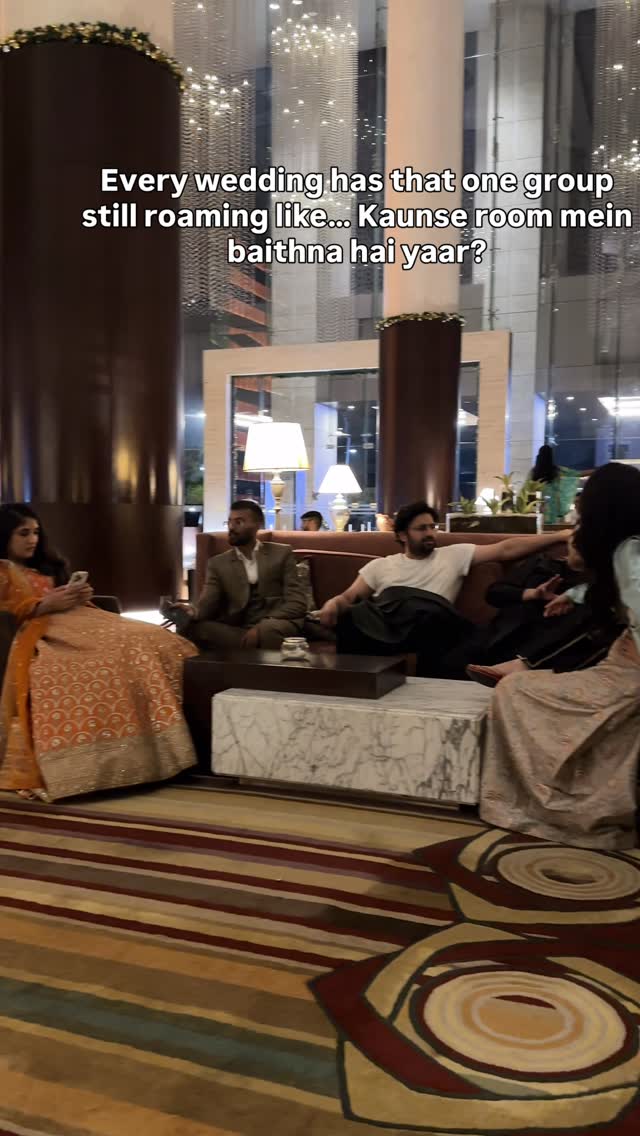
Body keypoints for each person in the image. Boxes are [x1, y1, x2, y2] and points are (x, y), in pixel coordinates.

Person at [480, 462, 640, 850]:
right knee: (519, 686)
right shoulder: (628, 549)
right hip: (620, 664)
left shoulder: (629, 551)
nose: (577, 517)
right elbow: (618, 591)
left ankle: (551, 803)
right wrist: (574, 594)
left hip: (628, 674)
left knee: (514, 691)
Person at [0, 504, 197, 803]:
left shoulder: (45, 567)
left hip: (79, 621)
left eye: (36, 532)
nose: (33, 540)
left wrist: (77, 596)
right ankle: (96, 765)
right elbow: (8, 612)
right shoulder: (3, 571)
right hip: (43, 634)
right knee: (114, 655)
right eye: (23, 533)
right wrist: (44, 605)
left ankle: (167, 746)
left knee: (157, 639)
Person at [318, 501, 573, 672]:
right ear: (402, 535)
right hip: (386, 624)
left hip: (429, 623)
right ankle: (354, 686)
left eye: (433, 527)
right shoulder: (380, 566)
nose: (430, 533)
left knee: (430, 614)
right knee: (351, 616)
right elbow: (348, 597)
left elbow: (505, 549)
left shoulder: (453, 554)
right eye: (422, 529)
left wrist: (559, 536)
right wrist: (332, 605)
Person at [163, 500, 307, 650]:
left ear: (258, 524)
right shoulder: (218, 563)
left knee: (267, 631)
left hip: (276, 622)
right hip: (239, 629)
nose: (231, 527)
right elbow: (207, 604)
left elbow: (297, 602)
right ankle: (248, 649)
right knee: (192, 628)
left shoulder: (281, 553)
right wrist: (192, 611)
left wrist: (264, 624)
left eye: (239, 522)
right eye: (230, 522)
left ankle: (253, 653)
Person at [530, 444, 581, 524]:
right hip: (553, 506)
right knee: (552, 526)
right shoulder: (557, 470)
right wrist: (597, 471)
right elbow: (576, 474)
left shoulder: (534, 472)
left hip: (539, 506)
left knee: (539, 524)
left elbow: (528, 489)